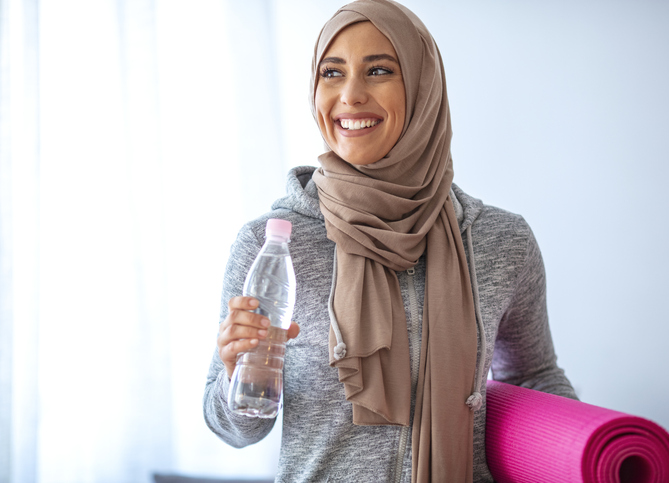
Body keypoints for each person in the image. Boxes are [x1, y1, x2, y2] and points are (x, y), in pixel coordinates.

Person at [204, 0, 577, 481]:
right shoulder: (271, 243)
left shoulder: (500, 240)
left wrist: (584, 449)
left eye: (378, 70)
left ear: (423, 87)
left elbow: (532, 376)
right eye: (332, 73)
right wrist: (238, 374)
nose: (350, 95)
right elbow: (234, 431)